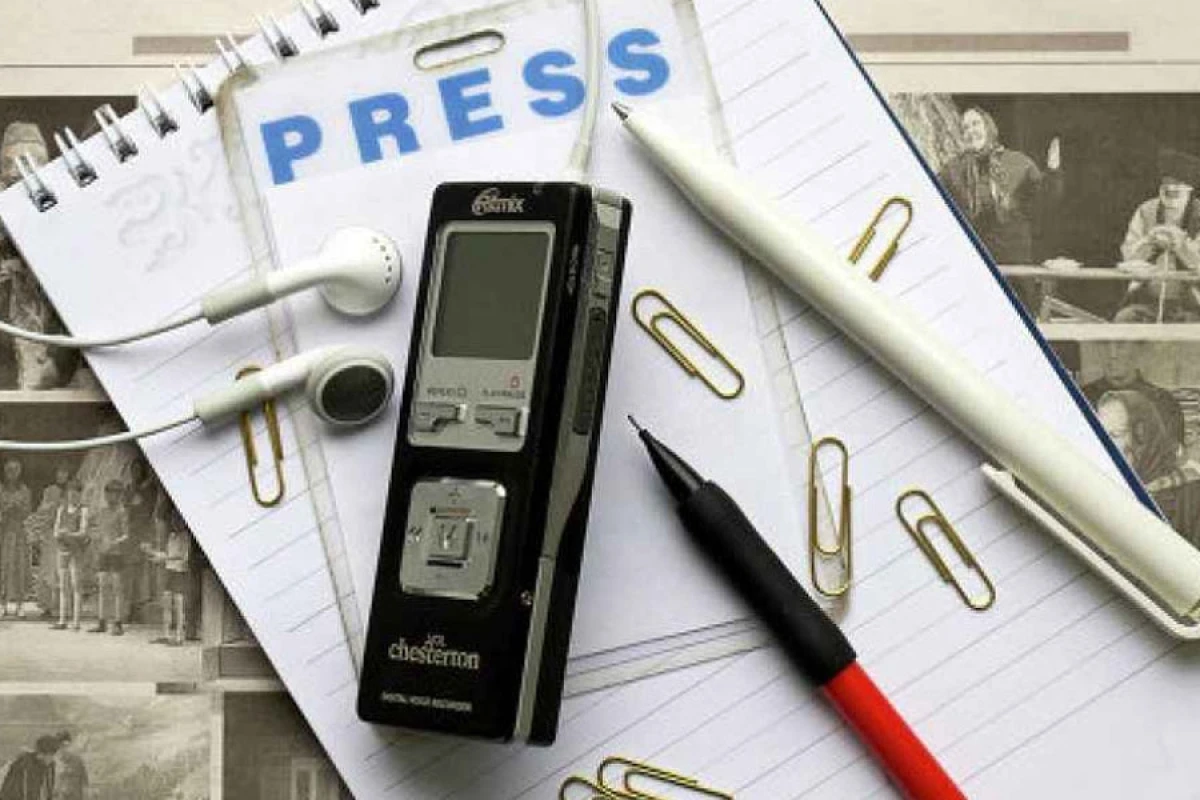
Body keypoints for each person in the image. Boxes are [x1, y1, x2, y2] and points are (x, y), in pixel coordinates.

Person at [938, 106, 1062, 311]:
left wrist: (1053, 172)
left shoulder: (1018, 163)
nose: (970, 131)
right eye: (965, 127)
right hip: (975, 264)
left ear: (989, 126)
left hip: (1015, 263)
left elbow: (1045, 199)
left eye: (975, 124)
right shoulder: (953, 170)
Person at [1097, 390, 1200, 546]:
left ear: (1143, 438)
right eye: (1100, 434)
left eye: (1115, 435)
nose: (1103, 445)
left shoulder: (1192, 496)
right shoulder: (1100, 486)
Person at [1081, 306, 1185, 455]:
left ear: (1139, 348)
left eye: (1121, 345)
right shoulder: (1081, 397)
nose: (1112, 353)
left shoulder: (1163, 403)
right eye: (1105, 344)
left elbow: (1170, 457)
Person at [1118, 148, 1200, 320]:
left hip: (1192, 303)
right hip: (1147, 300)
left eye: (1177, 183)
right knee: (1124, 318)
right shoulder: (1146, 210)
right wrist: (1149, 241)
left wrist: (1180, 244)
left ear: (1189, 188)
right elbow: (1128, 256)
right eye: (1165, 183)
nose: (1170, 188)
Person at [89, 480, 129, 636]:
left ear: (119, 495)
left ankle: (118, 623)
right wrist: (96, 538)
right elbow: (96, 530)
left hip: (116, 554)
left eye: (115, 493)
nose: (111, 496)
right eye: (109, 492)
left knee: (116, 588)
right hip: (102, 553)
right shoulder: (102, 511)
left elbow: (126, 535)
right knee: (102, 586)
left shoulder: (122, 512)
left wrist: (113, 542)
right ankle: (102, 621)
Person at [146, 508, 191, 646]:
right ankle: (166, 635)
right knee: (166, 603)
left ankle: (179, 637)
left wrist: (164, 558)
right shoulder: (171, 536)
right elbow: (167, 554)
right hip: (169, 570)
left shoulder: (185, 536)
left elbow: (183, 557)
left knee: (178, 604)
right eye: (173, 519)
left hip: (179, 572)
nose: (174, 522)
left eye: (178, 519)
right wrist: (152, 553)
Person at [31, 466, 70, 618]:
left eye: (64, 472)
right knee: (48, 569)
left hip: (65, 536)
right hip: (50, 535)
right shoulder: (49, 491)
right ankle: (47, 606)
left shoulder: (72, 490)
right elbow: (42, 510)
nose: (62, 475)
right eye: (59, 472)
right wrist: (50, 510)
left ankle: (62, 607)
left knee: (63, 570)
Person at [50, 482, 88, 631]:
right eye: (70, 493)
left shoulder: (83, 510)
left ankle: (76, 621)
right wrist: (60, 534)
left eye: (75, 493)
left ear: (80, 494)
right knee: (63, 585)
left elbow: (83, 532)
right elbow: (55, 530)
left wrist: (69, 534)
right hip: (62, 549)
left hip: (76, 550)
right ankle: (62, 620)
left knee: (76, 585)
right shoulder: (61, 509)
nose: (72, 496)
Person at [0, 457, 33, 618]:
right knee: (3, 567)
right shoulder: (0, 489)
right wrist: (6, 509)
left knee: (20, 567)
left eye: (15, 470)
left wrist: (18, 508)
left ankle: (20, 604)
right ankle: (3, 604)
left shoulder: (24, 490)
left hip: (19, 533)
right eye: (9, 470)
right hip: (3, 533)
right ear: (5, 472)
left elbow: (28, 511)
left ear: (20, 472)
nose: (12, 473)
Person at [0, 735, 58, 800]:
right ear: (41, 754)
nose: (52, 758)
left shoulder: (50, 766)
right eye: (50, 755)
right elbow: (13, 792)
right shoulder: (23, 765)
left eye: (53, 754)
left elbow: (49, 790)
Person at [50, 732, 86, 800]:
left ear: (70, 745)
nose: (63, 748)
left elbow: (84, 782)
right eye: (60, 746)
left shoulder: (78, 761)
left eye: (65, 745)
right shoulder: (52, 762)